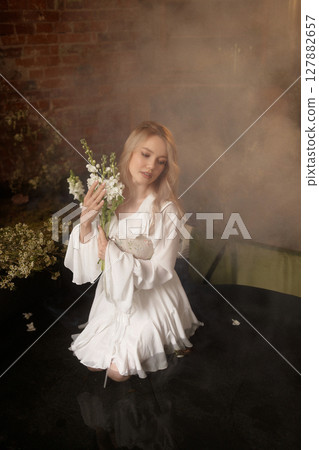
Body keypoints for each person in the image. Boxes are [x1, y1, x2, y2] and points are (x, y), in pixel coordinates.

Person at [64, 121, 203, 384]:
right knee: (94, 362)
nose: (151, 166)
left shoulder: (167, 210)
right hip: (113, 293)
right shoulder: (111, 198)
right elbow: (93, 262)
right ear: (130, 152)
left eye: (161, 161)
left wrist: (116, 257)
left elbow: (163, 270)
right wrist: (85, 221)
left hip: (151, 295)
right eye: (145, 154)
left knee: (117, 372)